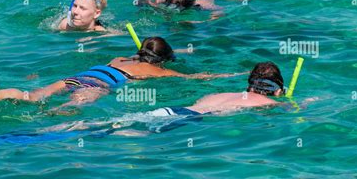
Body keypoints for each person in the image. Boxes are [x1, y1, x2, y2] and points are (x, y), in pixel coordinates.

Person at [42, 61, 313, 134]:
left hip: (175, 109)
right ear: (278, 90)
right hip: (187, 121)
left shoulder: (223, 93)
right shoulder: (267, 103)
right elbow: (294, 110)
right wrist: (299, 101)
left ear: (250, 84)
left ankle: (75, 125)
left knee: (123, 122)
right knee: (130, 132)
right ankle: (81, 130)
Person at [0, 37, 246, 114]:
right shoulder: (156, 71)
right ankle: (46, 117)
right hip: (97, 85)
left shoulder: (120, 59)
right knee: (72, 107)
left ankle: (2, 94)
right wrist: (235, 73)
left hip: (80, 75)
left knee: (35, 94)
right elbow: (196, 78)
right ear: (162, 61)